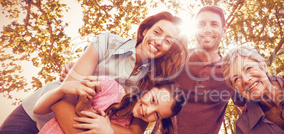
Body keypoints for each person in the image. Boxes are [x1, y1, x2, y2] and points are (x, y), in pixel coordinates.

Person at [0, 11, 188, 133]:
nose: (158, 41)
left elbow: (134, 132)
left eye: (168, 41)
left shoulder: (153, 82)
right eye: (157, 32)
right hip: (38, 117)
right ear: (145, 30)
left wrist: (107, 129)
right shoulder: (107, 43)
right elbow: (65, 96)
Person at [34, 76, 185, 134]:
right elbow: (38, 110)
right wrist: (61, 89)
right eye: (153, 100)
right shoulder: (109, 87)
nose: (148, 111)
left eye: (156, 115)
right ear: (150, 87)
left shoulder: (126, 128)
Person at [172, 6, 234, 133]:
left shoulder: (231, 71)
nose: (207, 29)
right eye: (201, 24)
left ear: (224, 30)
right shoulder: (176, 58)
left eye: (214, 24)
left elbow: (248, 106)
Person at [221, 45, 284, 134]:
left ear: (263, 66)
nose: (246, 80)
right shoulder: (243, 127)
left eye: (248, 68)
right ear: (235, 89)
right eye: (236, 79)